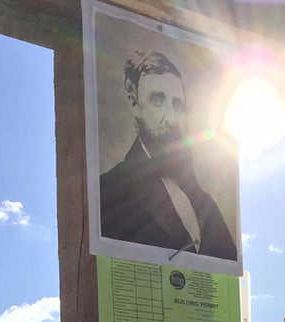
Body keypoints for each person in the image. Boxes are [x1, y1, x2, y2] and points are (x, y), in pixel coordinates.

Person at [99, 50, 237, 261]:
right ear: (134, 103)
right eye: (157, 100)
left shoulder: (206, 204)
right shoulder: (108, 191)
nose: (172, 119)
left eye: (178, 105)